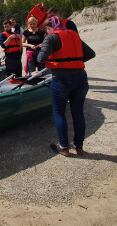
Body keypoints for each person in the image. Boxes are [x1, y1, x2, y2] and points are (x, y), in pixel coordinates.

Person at [38, 16, 95, 156]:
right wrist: (73, 62)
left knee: (59, 112)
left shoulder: (51, 37)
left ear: (48, 27)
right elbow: (91, 53)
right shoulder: (74, 34)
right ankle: (78, 146)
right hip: (81, 77)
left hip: (61, 79)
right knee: (78, 112)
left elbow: (40, 58)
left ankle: (63, 147)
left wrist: (59, 62)